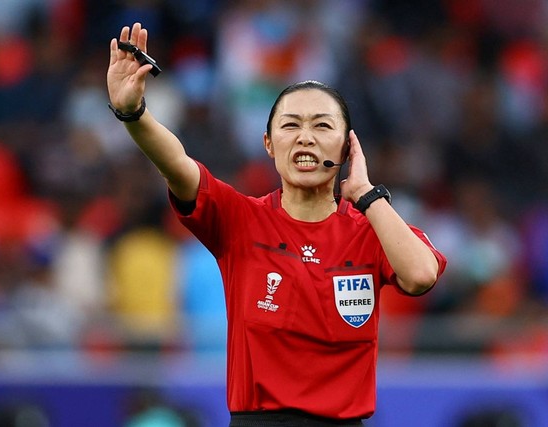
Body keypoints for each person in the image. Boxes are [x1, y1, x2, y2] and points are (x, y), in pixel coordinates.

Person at [107, 22, 447, 427]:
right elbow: (177, 166)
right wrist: (133, 114)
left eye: (322, 125)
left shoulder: (371, 226)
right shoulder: (239, 220)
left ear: (347, 145)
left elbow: (421, 275)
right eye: (290, 125)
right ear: (268, 143)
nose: (305, 137)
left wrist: (367, 194)